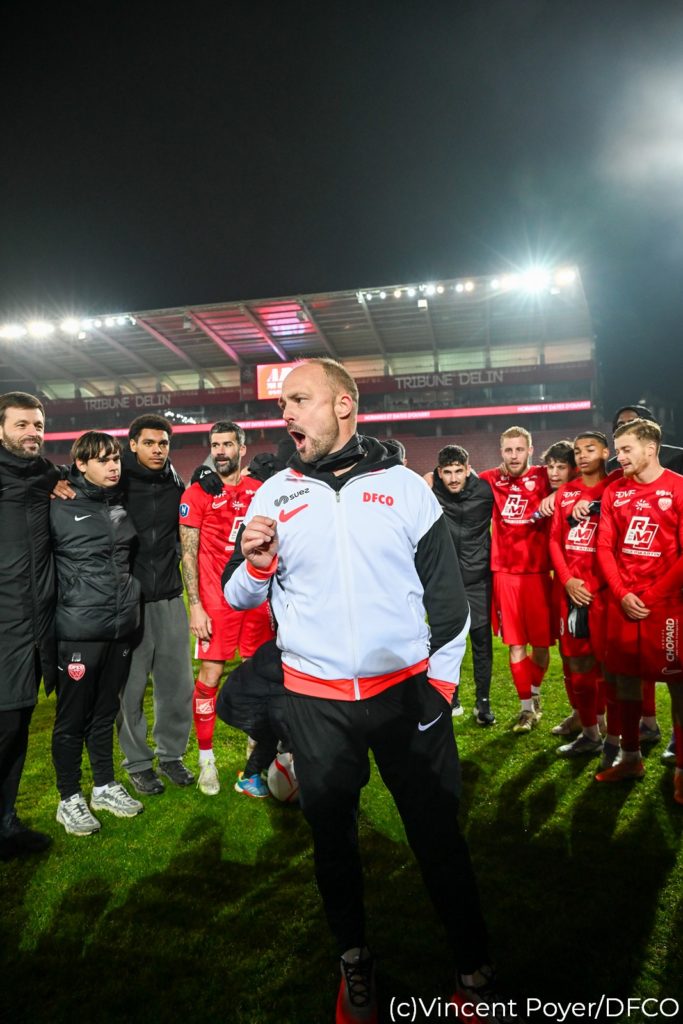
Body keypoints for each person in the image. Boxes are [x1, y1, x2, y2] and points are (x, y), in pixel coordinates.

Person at [224, 359, 503, 1024]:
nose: (285, 414)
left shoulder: (405, 488)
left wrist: (439, 689)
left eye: (300, 399)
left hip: (406, 698)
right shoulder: (272, 494)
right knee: (333, 843)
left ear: (344, 404)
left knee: (438, 839)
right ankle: (354, 962)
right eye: (283, 403)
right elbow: (238, 594)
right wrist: (257, 566)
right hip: (314, 703)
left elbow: (449, 602)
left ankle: (473, 972)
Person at [50, 431, 143, 835]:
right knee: (72, 718)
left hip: (120, 627)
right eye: (103, 460)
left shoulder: (119, 503)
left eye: (116, 459)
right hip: (78, 630)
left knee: (105, 713)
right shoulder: (57, 504)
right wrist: (50, 478)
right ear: (81, 464)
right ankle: (69, 797)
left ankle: (104, 785)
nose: (113, 466)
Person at [180, 420, 273, 796]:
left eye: (227, 444)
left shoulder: (261, 490)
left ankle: (256, 749)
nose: (220, 451)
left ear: (242, 449)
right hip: (215, 602)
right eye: (215, 445)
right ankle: (206, 760)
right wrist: (196, 606)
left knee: (260, 674)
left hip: (254, 597)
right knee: (210, 675)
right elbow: (188, 553)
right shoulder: (197, 492)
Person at [595, 418, 683, 805]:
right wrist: (621, 592)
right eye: (618, 450)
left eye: (626, 449)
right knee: (625, 680)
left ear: (651, 449)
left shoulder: (678, 488)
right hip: (624, 602)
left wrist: (654, 595)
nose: (620, 457)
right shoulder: (615, 491)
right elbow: (604, 547)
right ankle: (630, 758)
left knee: (678, 686)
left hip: (666, 607)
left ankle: (682, 770)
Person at [116, 414, 195, 795]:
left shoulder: (175, 483)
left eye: (163, 443)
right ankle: (137, 762)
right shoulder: (115, 482)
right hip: (128, 601)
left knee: (178, 686)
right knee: (130, 690)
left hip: (169, 596)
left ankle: (171, 755)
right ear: (132, 444)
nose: (157, 450)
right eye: (149, 443)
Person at [0, 392, 57, 859]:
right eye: (21, 424)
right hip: (3, 626)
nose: (32, 433)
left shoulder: (46, 475)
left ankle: (5, 823)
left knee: (18, 725)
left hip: (34, 627)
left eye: (37, 424)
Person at [480, 427, 553, 732]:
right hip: (505, 574)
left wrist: (558, 493)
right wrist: (431, 477)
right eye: (508, 450)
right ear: (501, 452)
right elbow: (453, 479)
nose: (513, 456)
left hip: (538, 573)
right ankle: (526, 709)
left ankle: (534, 694)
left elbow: (581, 484)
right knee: (516, 644)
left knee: (542, 646)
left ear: (530, 450)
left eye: (519, 449)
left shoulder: (545, 476)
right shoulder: (490, 479)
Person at [549, 432, 615, 762]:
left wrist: (599, 584)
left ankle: (611, 729)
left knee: (611, 666)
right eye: (577, 451)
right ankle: (590, 732)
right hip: (573, 593)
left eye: (590, 449)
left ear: (606, 452)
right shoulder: (565, 493)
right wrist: (568, 580)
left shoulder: (617, 488)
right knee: (577, 662)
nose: (583, 455)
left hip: (605, 594)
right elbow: (554, 541)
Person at [431, 444, 495, 725]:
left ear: (468, 469)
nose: (454, 478)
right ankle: (451, 697)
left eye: (459, 471)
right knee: (446, 644)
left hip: (478, 581)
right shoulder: (428, 492)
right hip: (445, 585)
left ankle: (483, 703)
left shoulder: (485, 492)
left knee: (481, 644)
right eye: (447, 472)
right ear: (439, 472)